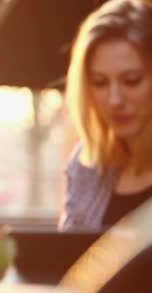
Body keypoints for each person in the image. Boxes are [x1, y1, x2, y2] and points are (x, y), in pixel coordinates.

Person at [59, 0, 152, 232]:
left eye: (132, 80)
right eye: (100, 83)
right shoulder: (85, 166)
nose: (115, 100)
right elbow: (66, 260)